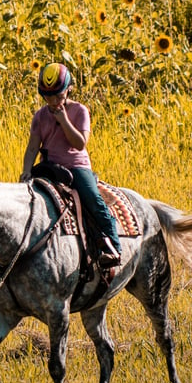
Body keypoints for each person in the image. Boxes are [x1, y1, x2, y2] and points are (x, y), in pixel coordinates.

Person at [19, 63, 122, 268]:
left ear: (69, 90)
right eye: (48, 97)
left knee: (93, 200)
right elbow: (32, 147)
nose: (53, 101)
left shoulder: (79, 111)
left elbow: (80, 143)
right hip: (48, 167)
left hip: (76, 167)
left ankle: (113, 247)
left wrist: (64, 120)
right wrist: (26, 171)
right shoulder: (40, 116)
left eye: (58, 96)